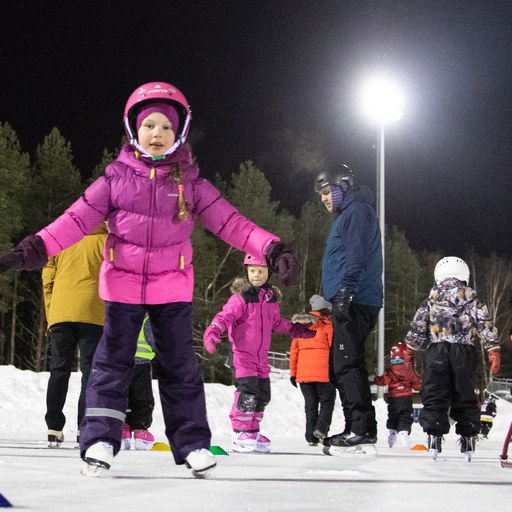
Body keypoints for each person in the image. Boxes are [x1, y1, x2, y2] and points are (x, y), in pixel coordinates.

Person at [0, 81, 300, 478]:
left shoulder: (191, 185)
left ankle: (192, 443)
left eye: (166, 128)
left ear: (178, 135)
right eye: (149, 126)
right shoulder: (114, 181)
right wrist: (32, 250)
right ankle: (100, 440)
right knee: (110, 365)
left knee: (179, 366)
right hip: (122, 290)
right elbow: (74, 221)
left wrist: (272, 247)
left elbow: (232, 223)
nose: (156, 134)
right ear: (133, 131)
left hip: (171, 289)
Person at [203, 253, 313, 453]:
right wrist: (212, 333)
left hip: (261, 359)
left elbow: (278, 323)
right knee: (248, 393)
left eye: (261, 271)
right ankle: (240, 432)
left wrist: (297, 330)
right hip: (242, 356)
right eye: (253, 271)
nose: (257, 275)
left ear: (268, 273)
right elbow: (224, 317)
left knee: (263, 395)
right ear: (247, 272)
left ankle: (252, 431)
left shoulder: (270, 299)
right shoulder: (240, 298)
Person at [314, 164, 383, 450]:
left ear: (343, 186)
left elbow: (357, 256)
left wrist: (346, 292)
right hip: (353, 298)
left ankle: (360, 430)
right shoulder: (349, 213)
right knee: (344, 364)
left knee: (346, 364)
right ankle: (361, 428)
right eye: (321, 195)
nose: (324, 199)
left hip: (356, 298)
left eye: (327, 191)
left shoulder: (355, 212)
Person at [405, 256, 501, 460]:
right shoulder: (473, 299)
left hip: (437, 350)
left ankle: (434, 435)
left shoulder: (431, 298)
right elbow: (485, 324)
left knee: (435, 392)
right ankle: (468, 437)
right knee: (465, 393)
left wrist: (410, 350)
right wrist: (493, 349)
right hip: (463, 352)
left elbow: (418, 325)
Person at [42, 223, 107, 447]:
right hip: (92, 312)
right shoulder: (107, 242)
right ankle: (85, 427)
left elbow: (47, 279)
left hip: (61, 312)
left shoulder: (61, 242)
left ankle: (54, 426)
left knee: (59, 369)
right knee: (90, 371)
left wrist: (51, 313)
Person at [289, 294, 337, 446]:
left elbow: (294, 353)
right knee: (327, 402)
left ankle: (311, 437)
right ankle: (321, 428)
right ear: (324, 310)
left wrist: (293, 374)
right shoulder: (327, 325)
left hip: (303, 375)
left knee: (310, 405)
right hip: (323, 373)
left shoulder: (299, 327)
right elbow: (333, 348)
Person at [373, 343, 422, 448]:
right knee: (405, 415)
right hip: (406, 397)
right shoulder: (409, 370)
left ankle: (392, 433)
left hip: (394, 398)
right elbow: (416, 383)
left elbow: (383, 381)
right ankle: (404, 432)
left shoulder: (390, 371)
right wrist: (420, 387)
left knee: (393, 416)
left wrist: (377, 379)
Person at [121, 315, 156, 451]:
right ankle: (140, 429)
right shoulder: (147, 318)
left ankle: (124, 428)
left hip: (121, 365)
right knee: (143, 398)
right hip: (141, 364)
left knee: (124, 397)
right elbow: (154, 340)